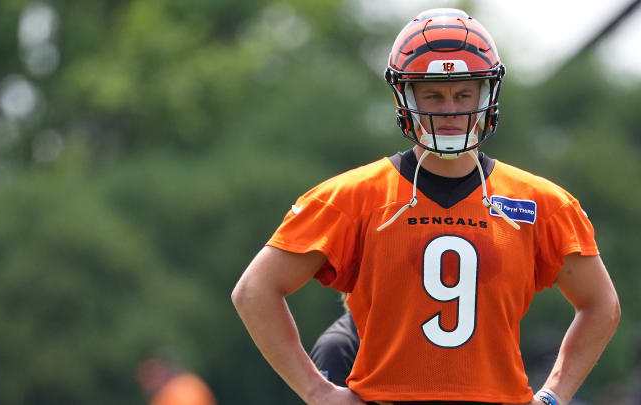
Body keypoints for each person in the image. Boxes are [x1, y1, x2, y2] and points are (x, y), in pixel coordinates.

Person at [231, 7, 620, 405]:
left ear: (488, 94)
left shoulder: (542, 203)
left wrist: (554, 396)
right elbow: (255, 290)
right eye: (432, 94)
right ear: (405, 96)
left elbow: (601, 305)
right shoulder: (353, 197)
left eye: (464, 93)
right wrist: (316, 391)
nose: (450, 109)